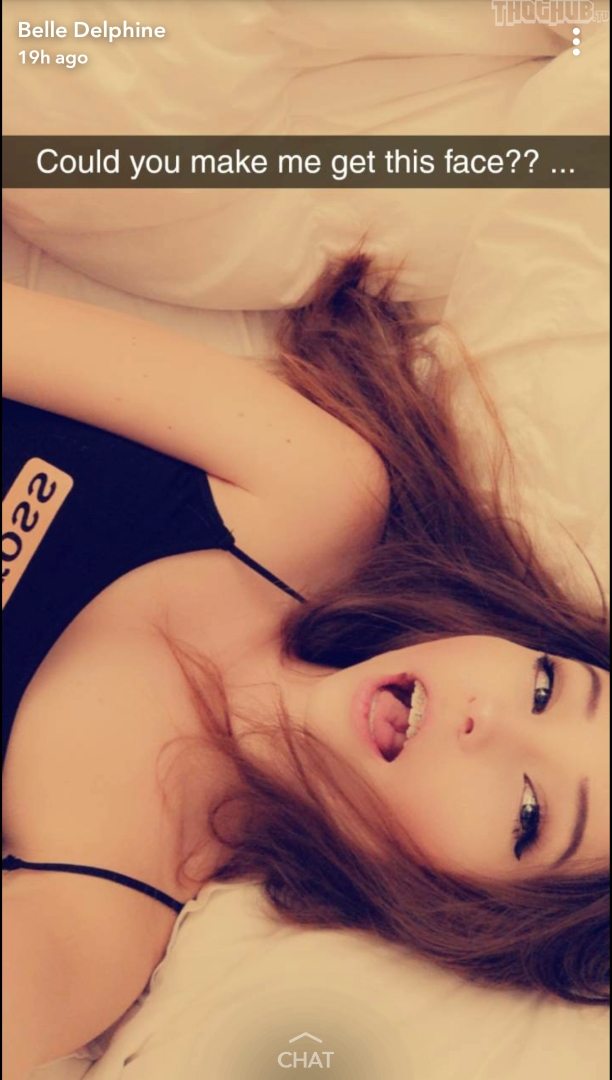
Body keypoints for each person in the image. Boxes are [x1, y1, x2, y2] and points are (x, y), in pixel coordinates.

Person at [2, 253, 609, 1079]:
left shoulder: (100, 906)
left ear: (470, 909)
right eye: (547, 686)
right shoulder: (314, 483)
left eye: (530, 812)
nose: (489, 719)